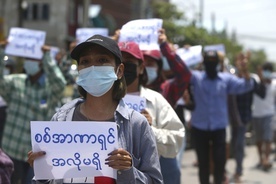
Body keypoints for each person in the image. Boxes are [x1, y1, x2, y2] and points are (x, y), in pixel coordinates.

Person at [27, 35, 163, 184]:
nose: (93, 68)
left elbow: (155, 181)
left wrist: (127, 170)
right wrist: (42, 172)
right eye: (85, 62)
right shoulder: (61, 119)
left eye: (102, 60)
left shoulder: (137, 125)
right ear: (79, 70)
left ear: (119, 71)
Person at [0, 40, 67, 184]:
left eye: (34, 59)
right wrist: (1, 51)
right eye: (27, 59)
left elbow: (61, 84)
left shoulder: (50, 88)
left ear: (41, 62)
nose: (29, 62)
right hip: (11, 149)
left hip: (36, 154)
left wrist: (47, 57)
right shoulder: (15, 81)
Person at [118, 41, 184, 184]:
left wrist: (149, 130)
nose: (123, 66)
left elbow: (176, 142)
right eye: (119, 61)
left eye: (129, 61)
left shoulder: (155, 100)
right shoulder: (100, 100)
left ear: (141, 68)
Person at [185, 50, 254, 184]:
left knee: (220, 164)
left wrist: (245, 70)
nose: (211, 65)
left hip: (219, 129)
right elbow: (181, 71)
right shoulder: (196, 77)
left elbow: (246, 86)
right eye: (208, 62)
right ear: (204, 63)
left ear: (218, 63)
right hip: (200, 128)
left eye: (214, 62)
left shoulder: (226, 79)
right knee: (203, 164)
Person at [228, 52, 266, 182]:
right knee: (232, 145)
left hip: (243, 118)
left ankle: (238, 170)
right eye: (240, 60)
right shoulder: (230, 77)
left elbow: (262, 93)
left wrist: (260, 77)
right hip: (229, 118)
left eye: (244, 61)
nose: (242, 62)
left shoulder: (251, 79)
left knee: (239, 144)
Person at [251, 62, 276, 171]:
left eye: (268, 70)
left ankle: (266, 159)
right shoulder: (256, 81)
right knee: (259, 139)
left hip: (269, 114)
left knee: (268, 138)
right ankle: (260, 159)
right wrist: (261, 79)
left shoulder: (274, 84)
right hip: (256, 113)